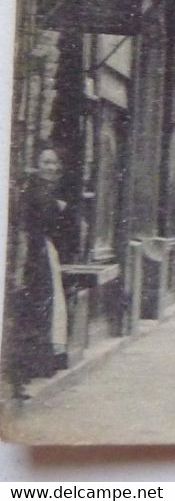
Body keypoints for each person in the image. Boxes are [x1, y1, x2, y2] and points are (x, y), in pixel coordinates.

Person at [6, 148, 70, 398]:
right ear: (37, 164)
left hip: (44, 252)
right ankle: (29, 368)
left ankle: (37, 364)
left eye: (54, 162)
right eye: (46, 162)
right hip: (33, 255)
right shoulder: (36, 191)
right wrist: (57, 207)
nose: (51, 167)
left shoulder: (47, 190)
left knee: (44, 307)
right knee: (36, 308)